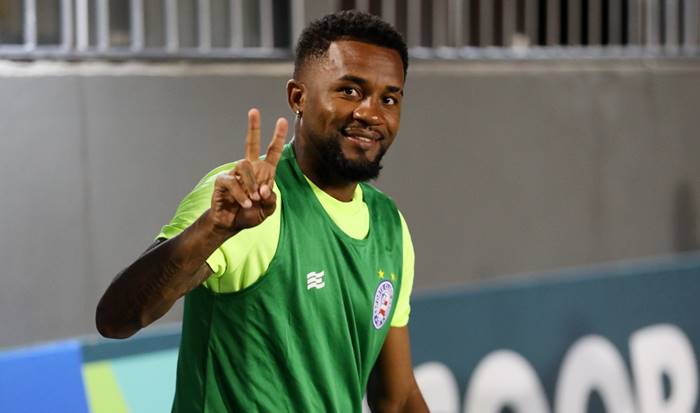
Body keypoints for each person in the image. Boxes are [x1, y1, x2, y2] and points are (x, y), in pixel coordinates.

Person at [96, 10, 428, 412]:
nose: (371, 114)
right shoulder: (243, 197)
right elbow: (116, 319)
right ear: (298, 97)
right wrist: (214, 229)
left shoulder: (389, 226)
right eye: (349, 91)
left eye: (389, 99)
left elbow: (397, 398)